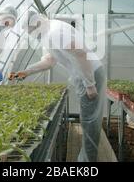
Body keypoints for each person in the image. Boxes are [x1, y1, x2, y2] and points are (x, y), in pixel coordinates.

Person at [10, 11, 106, 162]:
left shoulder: (55, 32)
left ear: (35, 24)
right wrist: (26, 72)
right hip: (86, 74)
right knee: (87, 119)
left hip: (90, 73)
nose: (32, 35)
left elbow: (80, 54)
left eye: (30, 31)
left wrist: (90, 83)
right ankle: (86, 159)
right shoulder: (49, 33)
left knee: (90, 121)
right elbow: (49, 61)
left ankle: (87, 163)